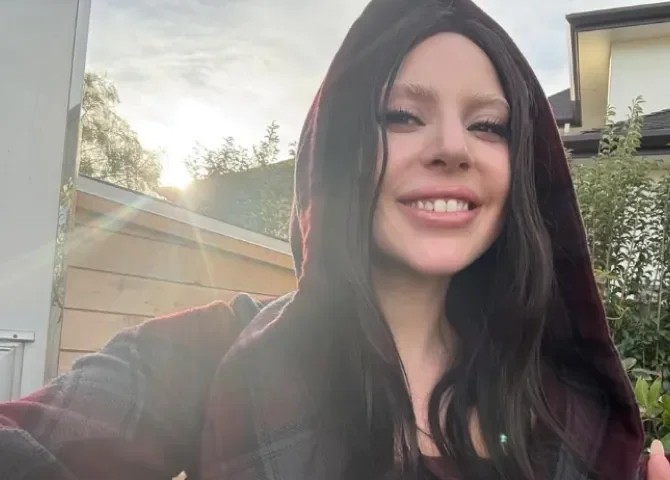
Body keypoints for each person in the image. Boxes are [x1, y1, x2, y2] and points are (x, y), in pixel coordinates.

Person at [1, 0, 669, 478]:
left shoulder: (567, 411)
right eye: (402, 116)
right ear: (339, 153)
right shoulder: (207, 354)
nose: (452, 147)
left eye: (488, 126)